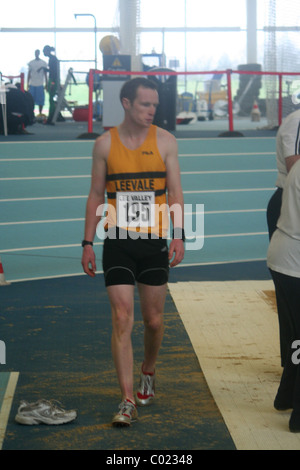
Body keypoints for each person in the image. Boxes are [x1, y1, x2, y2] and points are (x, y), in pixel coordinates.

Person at [81, 77, 185, 427]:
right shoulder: (104, 145)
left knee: (153, 322)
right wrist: (87, 242)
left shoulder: (166, 142)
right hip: (118, 243)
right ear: (126, 103)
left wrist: (179, 235)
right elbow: (96, 195)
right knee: (122, 317)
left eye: (155, 104)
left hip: (154, 243)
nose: (152, 110)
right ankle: (127, 399)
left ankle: (148, 372)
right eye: (145, 104)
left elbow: (175, 194)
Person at [267, 158, 300, 433]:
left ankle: (287, 396)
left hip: (283, 257)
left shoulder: (299, 164)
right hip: (295, 262)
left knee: (297, 336)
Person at [266, 109, 300, 366]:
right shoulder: (297, 121)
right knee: (291, 297)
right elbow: (295, 166)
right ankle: (291, 365)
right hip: (291, 204)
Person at [43, 45, 60, 124]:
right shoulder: (53, 58)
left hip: (53, 80)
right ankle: (51, 117)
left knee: (51, 100)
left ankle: (51, 117)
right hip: (53, 80)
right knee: (51, 100)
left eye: (44, 51)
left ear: (47, 51)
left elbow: (53, 72)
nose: (43, 53)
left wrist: (52, 83)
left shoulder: (52, 59)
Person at [27, 49, 47, 115]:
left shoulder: (43, 63)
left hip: (40, 84)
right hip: (32, 84)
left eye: (38, 53)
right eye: (35, 53)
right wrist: (27, 83)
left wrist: (46, 83)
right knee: (31, 100)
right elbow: (29, 73)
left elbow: (45, 74)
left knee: (41, 100)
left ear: (39, 53)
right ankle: (31, 114)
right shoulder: (31, 63)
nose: (36, 54)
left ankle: (40, 113)